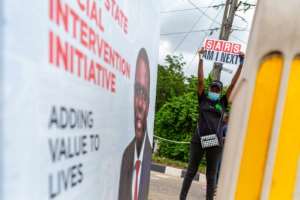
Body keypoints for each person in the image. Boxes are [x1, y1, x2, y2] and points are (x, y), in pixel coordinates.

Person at [179, 48, 244, 200]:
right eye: (213, 88)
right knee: (191, 171)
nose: (214, 90)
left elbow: (233, 84)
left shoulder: (223, 101)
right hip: (199, 138)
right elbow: (200, 80)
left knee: (211, 175)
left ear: (220, 91)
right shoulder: (203, 98)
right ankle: (182, 197)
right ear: (209, 89)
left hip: (215, 141)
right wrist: (201, 58)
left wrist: (241, 64)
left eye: (217, 89)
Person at [118, 48, 152, 200]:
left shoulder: (148, 154)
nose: (139, 103)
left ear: (149, 103)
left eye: (144, 94)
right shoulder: (126, 155)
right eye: (137, 91)